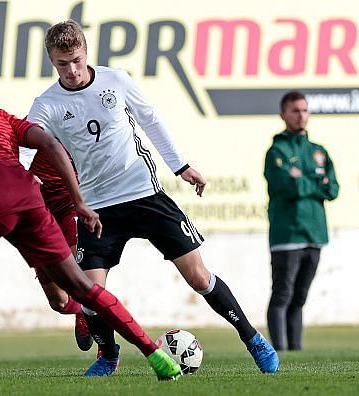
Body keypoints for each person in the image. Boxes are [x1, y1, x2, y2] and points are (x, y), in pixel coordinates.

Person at [0, 68, 184, 385]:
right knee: (80, 288)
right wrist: (80, 201)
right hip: (30, 198)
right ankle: (156, 356)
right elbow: (52, 146)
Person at [27, 20, 280, 376]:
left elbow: (150, 119)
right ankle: (107, 356)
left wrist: (181, 166)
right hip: (97, 207)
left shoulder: (116, 80)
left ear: (86, 52)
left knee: (198, 277)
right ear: (52, 62)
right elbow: (26, 147)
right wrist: (18, 181)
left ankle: (253, 339)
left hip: (144, 194)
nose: (71, 70)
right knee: (88, 292)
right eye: (61, 64)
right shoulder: (47, 104)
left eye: (76, 60)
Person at [264, 91, 339, 351]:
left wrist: (302, 180)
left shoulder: (319, 152)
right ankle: (279, 352)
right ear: (283, 114)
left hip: (315, 234)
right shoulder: (277, 151)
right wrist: (315, 182)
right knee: (282, 295)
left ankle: (296, 352)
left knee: (299, 298)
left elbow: (333, 190)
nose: (301, 115)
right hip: (287, 235)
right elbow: (286, 185)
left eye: (305, 110)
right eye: (295, 110)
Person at [19, 146, 94, 352]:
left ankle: (107, 352)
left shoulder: (76, 123)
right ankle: (82, 311)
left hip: (70, 203)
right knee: (59, 302)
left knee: (81, 273)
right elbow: (14, 159)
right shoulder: (31, 126)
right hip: (38, 210)